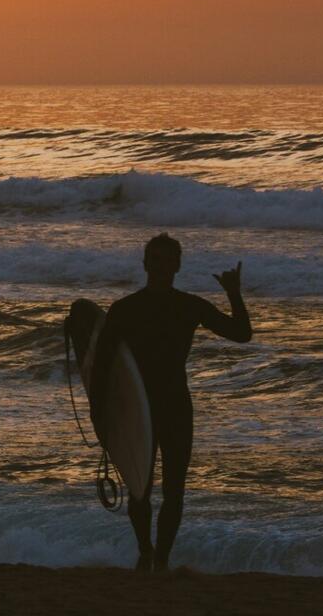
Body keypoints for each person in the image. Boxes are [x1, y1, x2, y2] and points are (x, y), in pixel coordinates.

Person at [99, 232, 252, 572]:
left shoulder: (190, 306)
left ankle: (162, 560)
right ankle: (145, 551)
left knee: (174, 492)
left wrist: (234, 294)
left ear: (178, 266)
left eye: (168, 261)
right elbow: (102, 367)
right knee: (139, 489)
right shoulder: (123, 309)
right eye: (155, 260)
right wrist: (103, 416)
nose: (161, 267)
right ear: (145, 264)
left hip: (175, 408)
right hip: (137, 408)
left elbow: (242, 334)